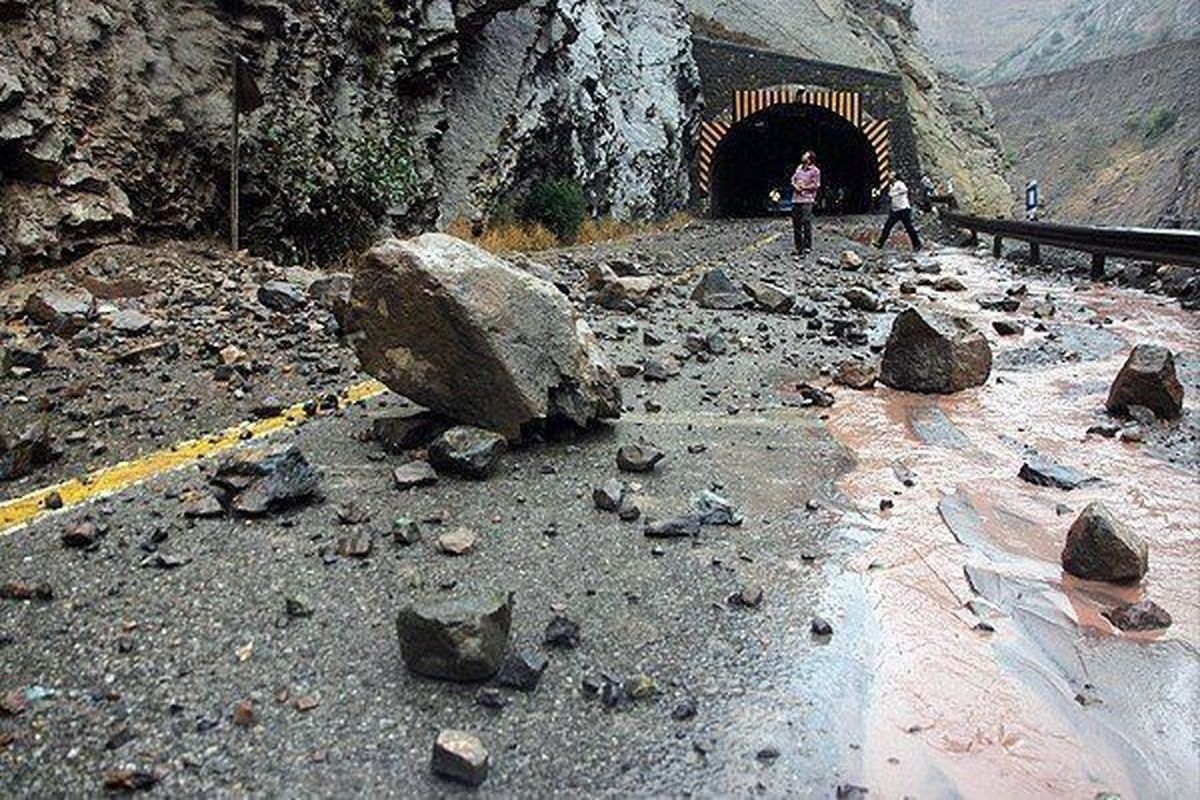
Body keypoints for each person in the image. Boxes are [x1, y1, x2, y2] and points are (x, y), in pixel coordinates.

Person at [875, 173, 922, 251]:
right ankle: (879, 243)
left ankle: (917, 244)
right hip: (895, 210)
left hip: (904, 209)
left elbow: (905, 190)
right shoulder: (891, 185)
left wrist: (895, 194)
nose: (889, 176)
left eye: (891, 175)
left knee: (909, 227)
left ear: (895, 177)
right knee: (887, 226)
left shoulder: (899, 183)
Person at [791, 151, 820, 255]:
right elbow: (793, 179)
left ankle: (807, 246)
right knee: (796, 223)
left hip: (807, 199)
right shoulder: (798, 168)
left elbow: (816, 185)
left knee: (806, 221)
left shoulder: (815, 171)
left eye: (805, 155)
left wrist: (804, 187)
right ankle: (798, 247)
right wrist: (795, 185)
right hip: (796, 199)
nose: (802, 156)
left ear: (809, 159)